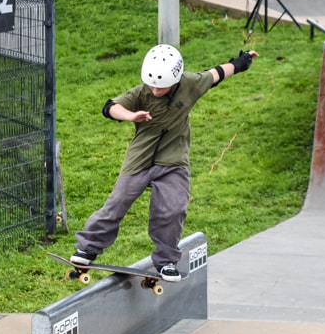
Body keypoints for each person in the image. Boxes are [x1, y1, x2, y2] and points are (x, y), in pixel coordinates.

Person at [70, 45, 260, 282]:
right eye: (152, 85)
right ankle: (88, 248)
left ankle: (166, 261)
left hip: (174, 159)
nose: (156, 90)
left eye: (161, 86)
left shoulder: (190, 83)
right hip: (140, 158)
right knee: (118, 202)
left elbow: (217, 73)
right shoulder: (141, 93)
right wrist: (130, 115)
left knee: (172, 209)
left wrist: (243, 61)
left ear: (175, 78)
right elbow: (110, 107)